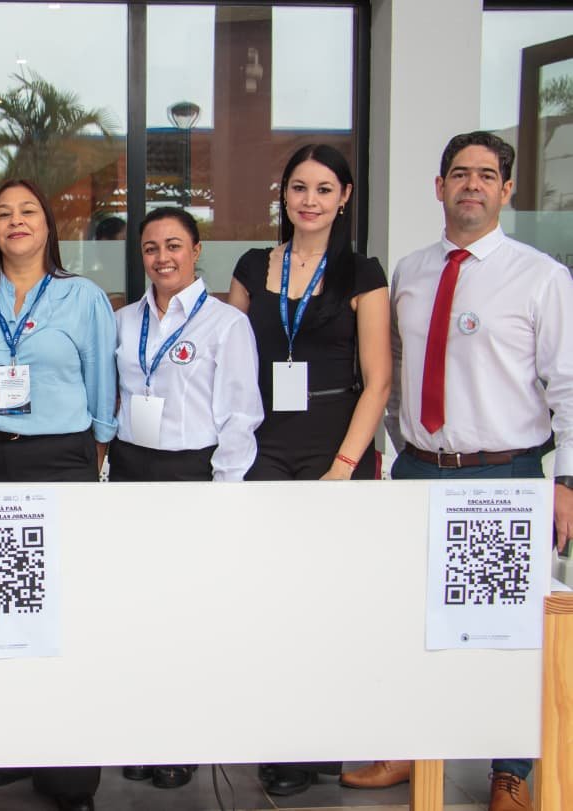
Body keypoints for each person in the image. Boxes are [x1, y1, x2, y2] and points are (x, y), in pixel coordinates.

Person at [343, 131, 572, 811]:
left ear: (507, 189)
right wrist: (399, 448)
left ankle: (510, 770)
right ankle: (411, 749)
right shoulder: (410, 271)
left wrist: (566, 482)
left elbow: (568, 386)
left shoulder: (541, 278)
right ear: (438, 186)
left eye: (487, 175)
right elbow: (392, 374)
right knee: (411, 619)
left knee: (506, 629)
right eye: (460, 174)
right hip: (419, 472)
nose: (472, 185)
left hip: (503, 476)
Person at [226, 143, 391, 797]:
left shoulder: (363, 273)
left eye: (325, 189)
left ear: (344, 197)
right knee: (271, 599)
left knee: (328, 604)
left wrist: (345, 466)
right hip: (264, 446)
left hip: (334, 449)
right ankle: (279, 738)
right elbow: (226, 361)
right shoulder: (251, 267)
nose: (311, 200)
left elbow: (378, 381)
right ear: (284, 194)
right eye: (300, 187)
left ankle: (319, 741)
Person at [0, 178, 116, 811]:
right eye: (3, 213)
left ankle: (70, 772)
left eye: (28, 211)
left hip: (60, 461)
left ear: (48, 225)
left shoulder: (82, 297)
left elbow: (103, 388)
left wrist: (94, 456)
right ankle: (11, 747)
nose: (15, 221)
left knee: (64, 615)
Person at [113, 207, 263, 792]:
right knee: (136, 612)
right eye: (151, 248)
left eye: (174, 245)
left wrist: (224, 493)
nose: (162, 258)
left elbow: (240, 416)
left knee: (185, 615)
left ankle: (182, 739)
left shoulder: (226, 324)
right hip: (131, 470)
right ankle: (140, 734)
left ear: (196, 250)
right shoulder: (124, 321)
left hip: (192, 473)